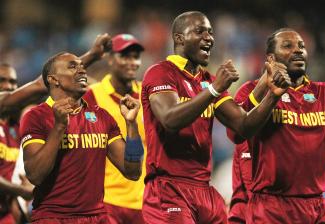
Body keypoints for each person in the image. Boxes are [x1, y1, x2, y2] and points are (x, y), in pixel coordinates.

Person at [141, 11, 290, 224]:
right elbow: (169, 119)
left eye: (210, 33)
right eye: (199, 31)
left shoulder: (207, 80)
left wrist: (272, 95)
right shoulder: (160, 73)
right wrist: (213, 89)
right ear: (179, 38)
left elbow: (243, 126)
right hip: (168, 189)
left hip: (204, 190)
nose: (209, 38)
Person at [227, 28, 325, 223]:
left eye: (301, 46)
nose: (298, 50)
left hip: (316, 209)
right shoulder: (251, 90)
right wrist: (267, 89)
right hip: (272, 209)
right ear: (270, 58)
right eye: (288, 46)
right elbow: (236, 133)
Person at [19, 52, 144, 223]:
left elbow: (133, 171)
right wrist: (59, 128)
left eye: (82, 66)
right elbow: (35, 175)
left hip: (96, 217)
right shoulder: (36, 116)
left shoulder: (101, 116)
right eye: (73, 66)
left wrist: (132, 125)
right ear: (53, 79)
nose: (82, 70)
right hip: (53, 217)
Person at [84, 33, 146, 223]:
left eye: (135, 57)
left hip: (143, 200)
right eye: (124, 56)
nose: (132, 62)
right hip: (105, 199)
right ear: (110, 59)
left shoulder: (148, 94)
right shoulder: (91, 96)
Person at [0, 63, 34, 224]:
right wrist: (22, 191)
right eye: (1, 80)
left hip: (6, 212)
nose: (7, 86)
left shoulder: (16, 128)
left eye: (13, 82)